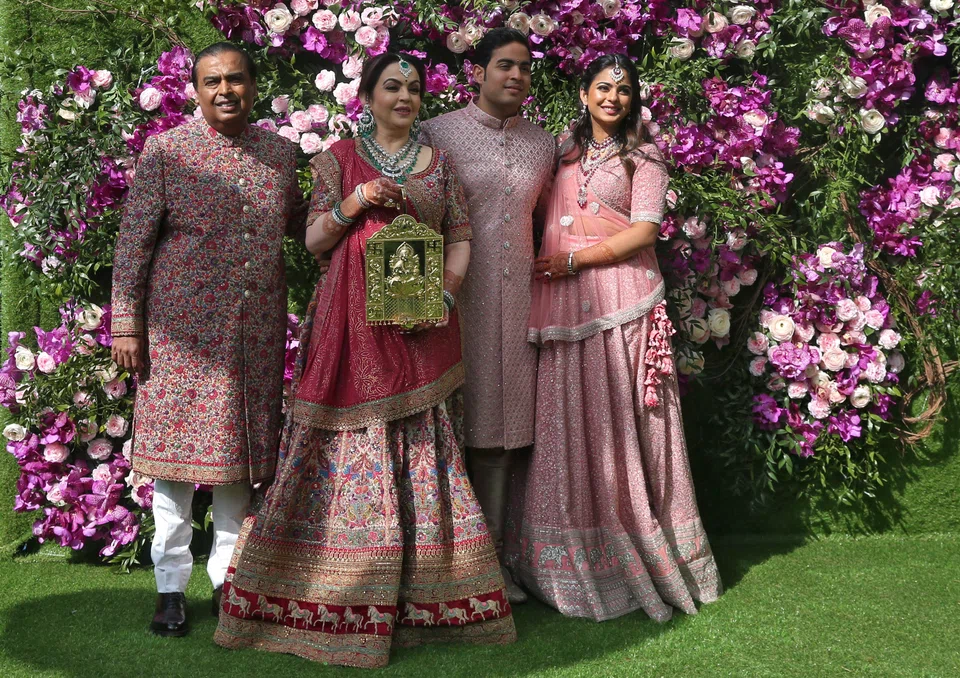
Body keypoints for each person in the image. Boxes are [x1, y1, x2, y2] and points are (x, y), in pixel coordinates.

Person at [213, 53, 515, 669]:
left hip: (419, 328)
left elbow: (460, 235)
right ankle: (318, 592)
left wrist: (445, 295)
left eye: (413, 88)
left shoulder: (441, 166)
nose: (404, 98)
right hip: (349, 332)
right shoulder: (337, 160)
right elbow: (314, 240)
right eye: (392, 87)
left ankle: (422, 598)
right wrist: (355, 202)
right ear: (368, 96)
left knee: (423, 443)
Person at [503, 54, 722, 621]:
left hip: (623, 304)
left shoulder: (643, 155)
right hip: (558, 307)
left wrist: (575, 260)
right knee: (564, 422)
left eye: (624, 91)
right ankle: (555, 563)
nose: (613, 98)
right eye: (603, 87)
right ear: (583, 93)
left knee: (621, 423)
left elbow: (645, 230)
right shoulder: (561, 151)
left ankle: (641, 550)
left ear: (633, 100)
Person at [110, 43, 307, 637]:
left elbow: (305, 227)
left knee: (236, 466)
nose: (226, 90)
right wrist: (126, 322)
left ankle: (226, 580)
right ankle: (170, 588)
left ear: (253, 85)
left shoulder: (279, 153)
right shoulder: (167, 151)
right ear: (195, 89)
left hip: (253, 334)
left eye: (237, 80)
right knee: (172, 471)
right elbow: (134, 244)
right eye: (212, 81)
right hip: (179, 337)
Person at [420, 27, 555, 604]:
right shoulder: (437, 133)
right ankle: (444, 562)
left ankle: (495, 562)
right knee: (451, 428)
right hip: (453, 303)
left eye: (524, 67)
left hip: (522, 303)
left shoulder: (545, 146)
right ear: (476, 71)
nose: (516, 75)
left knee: (502, 437)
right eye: (504, 65)